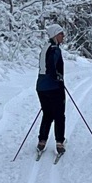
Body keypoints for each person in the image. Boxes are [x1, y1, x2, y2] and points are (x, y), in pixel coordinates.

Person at [36, 23, 66, 155]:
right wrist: (57, 78)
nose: (63, 36)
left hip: (41, 87)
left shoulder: (45, 47)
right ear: (55, 35)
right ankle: (59, 143)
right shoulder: (54, 49)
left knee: (47, 114)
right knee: (59, 115)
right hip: (54, 86)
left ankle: (42, 141)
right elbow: (51, 66)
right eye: (61, 34)